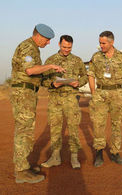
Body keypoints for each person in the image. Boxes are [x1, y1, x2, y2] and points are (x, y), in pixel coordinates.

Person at [10, 24, 65, 183]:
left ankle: (23, 166)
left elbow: (36, 77)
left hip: (28, 93)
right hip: (23, 94)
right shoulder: (28, 47)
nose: (48, 43)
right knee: (24, 131)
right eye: (47, 40)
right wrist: (50, 66)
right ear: (39, 35)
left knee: (26, 130)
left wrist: (53, 82)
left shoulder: (34, 49)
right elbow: (30, 71)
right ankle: (21, 171)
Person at [41, 35, 88, 169]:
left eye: (69, 47)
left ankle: (74, 157)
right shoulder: (50, 60)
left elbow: (85, 75)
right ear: (59, 44)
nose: (67, 50)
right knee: (55, 128)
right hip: (55, 98)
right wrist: (52, 84)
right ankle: (55, 157)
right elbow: (42, 80)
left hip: (71, 98)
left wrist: (79, 82)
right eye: (64, 47)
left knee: (73, 127)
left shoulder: (77, 60)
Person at [88, 31, 122, 167]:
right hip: (100, 93)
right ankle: (99, 153)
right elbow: (91, 74)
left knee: (117, 125)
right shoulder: (96, 57)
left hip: (117, 93)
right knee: (98, 124)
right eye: (100, 43)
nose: (101, 45)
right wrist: (94, 92)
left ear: (111, 42)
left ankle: (115, 153)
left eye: (103, 43)